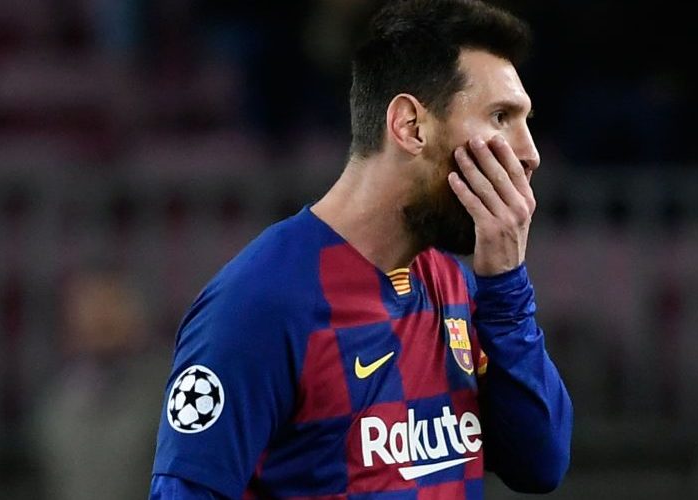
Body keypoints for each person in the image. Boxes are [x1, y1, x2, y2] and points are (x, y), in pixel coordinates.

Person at [150, 0, 573, 498]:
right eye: (501, 117)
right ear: (410, 126)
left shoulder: (455, 286)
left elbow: (540, 465)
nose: (529, 153)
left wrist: (506, 290)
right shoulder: (260, 304)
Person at [34, 269, 170, 500]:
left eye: (113, 304)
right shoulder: (55, 402)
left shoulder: (169, 390)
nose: (101, 316)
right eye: (91, 305)